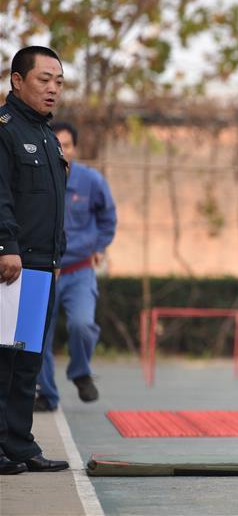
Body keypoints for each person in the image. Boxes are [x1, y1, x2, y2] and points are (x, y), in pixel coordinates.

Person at [0, 46, 70, 475]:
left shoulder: (47, 136)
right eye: (44, 79)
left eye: (58, 81)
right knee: (3, 359)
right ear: (17, 80)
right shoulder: (5, 131)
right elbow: (1, 195)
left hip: (41, 267)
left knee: (27, 362)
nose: (52, 89)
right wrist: (5, 245)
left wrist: (56, 255)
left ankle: (19, 444)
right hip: (12, 266)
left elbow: (52, 206)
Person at [34, 121, 117, 412]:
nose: (62, 150)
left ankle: (80, 372)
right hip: (44, 269)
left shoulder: (91, 181)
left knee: (82, 324)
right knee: (38, 336)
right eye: (56, 145)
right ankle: (47, 394)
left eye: (66, 145)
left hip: (78, 270)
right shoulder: (36, 178)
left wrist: (100, 247)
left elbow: (108, 218)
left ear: (75, 149)